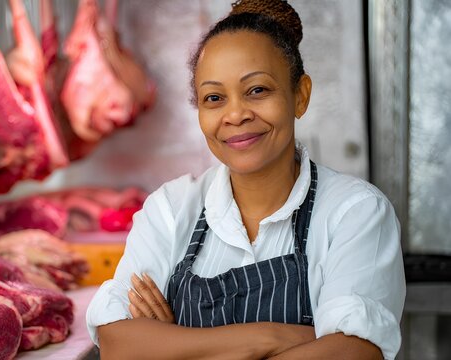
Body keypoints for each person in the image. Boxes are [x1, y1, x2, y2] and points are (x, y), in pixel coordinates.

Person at [87, 0, 406, 358]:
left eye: (257, 90)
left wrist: (175, 344)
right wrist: (273, 338)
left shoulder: (356, 213)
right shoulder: (170, 210)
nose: (235, 114)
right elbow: (118, 345)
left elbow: (353, 353)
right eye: (214, 98)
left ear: (299, 96)